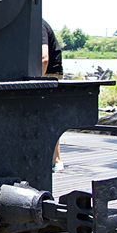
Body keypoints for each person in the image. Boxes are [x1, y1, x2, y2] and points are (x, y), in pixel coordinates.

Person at [42, 21, 64, 172]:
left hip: (49, 74)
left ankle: (56, 159)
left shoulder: (38, 25)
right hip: (47, 73)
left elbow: (44, 58)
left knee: (48, 118)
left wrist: (36, 81)